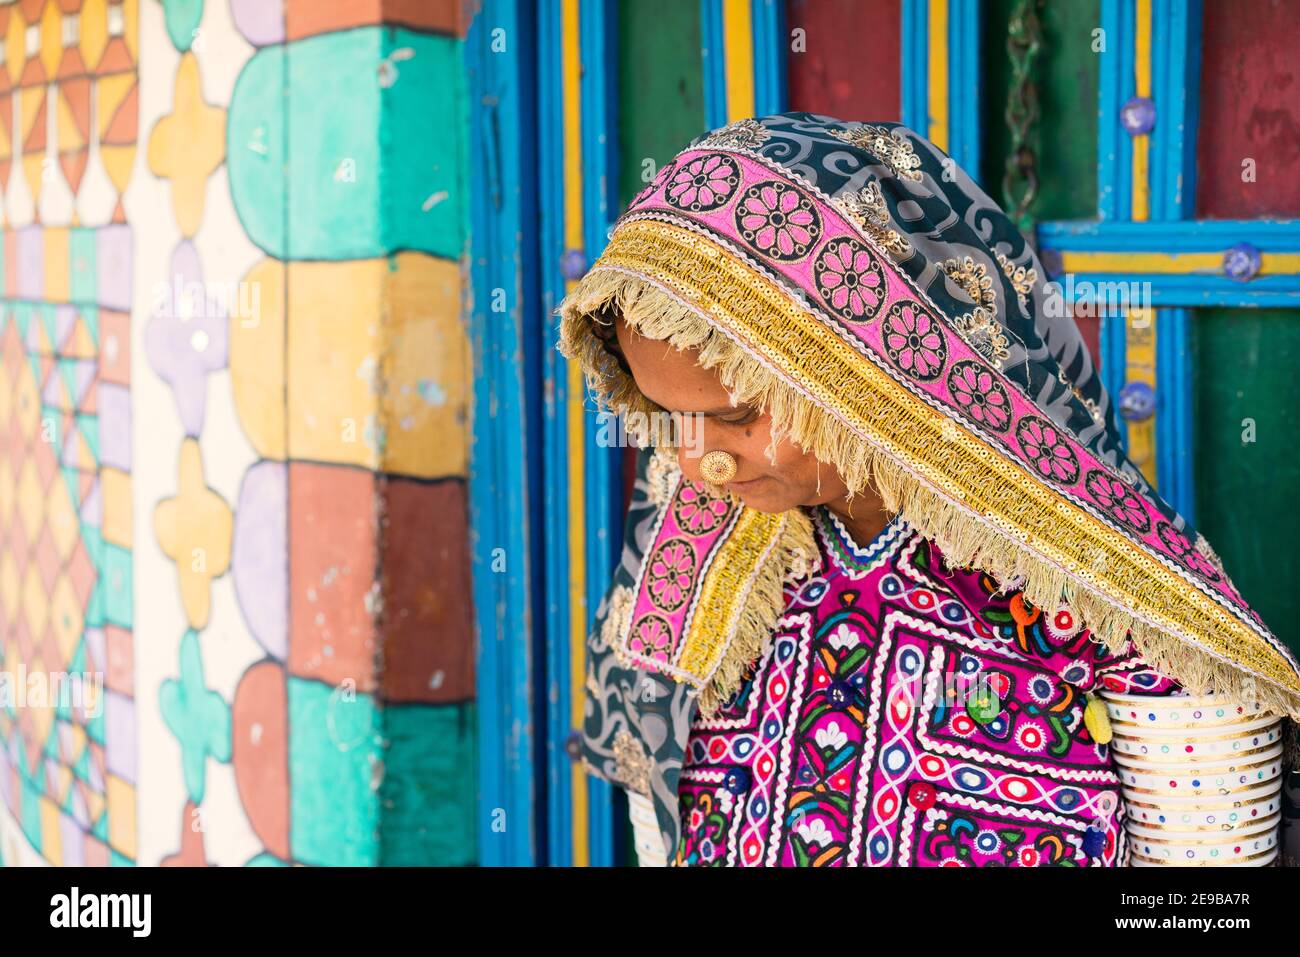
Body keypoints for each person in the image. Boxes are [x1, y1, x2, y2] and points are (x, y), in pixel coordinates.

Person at [558, 113, 1300, 867]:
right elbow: (659, 820)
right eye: (669, 418)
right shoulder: (688, 563)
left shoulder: (1114, 596)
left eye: (737, 414)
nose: (698, 462)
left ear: (872, 367)